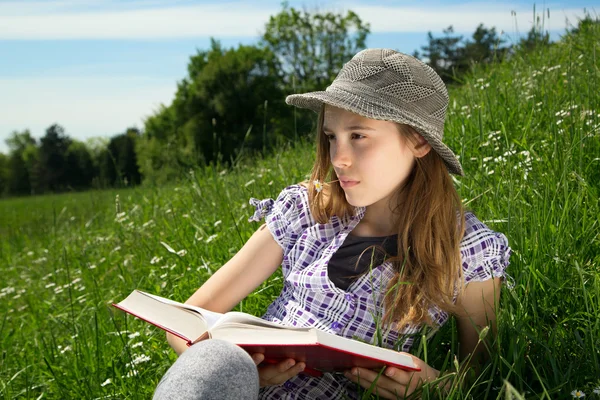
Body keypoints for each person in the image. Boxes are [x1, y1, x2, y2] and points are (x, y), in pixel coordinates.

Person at [153, 48, 511, 400]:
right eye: (331, 137)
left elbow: (483, 377)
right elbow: (189, 321)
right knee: (213, 361)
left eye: (358, 136)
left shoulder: (468, 249)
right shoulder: (306, 209)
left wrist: (433, 386)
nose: (338, 159)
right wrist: (244, 371)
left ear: (417, 140)